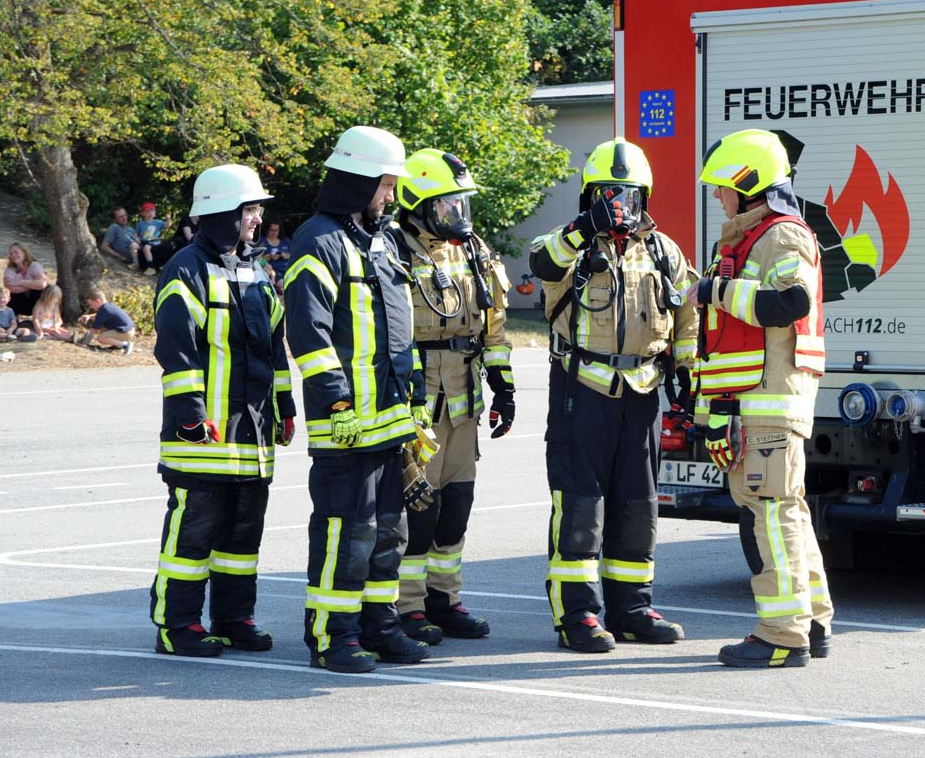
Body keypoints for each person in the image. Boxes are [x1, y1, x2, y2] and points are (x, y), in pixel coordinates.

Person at [528, 138, 698, 652]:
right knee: (580, 505)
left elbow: (686, 312)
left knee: (638, 504)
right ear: (590, 197)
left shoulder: (663, 249)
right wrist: (583, 227)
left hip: (643, 390)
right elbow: (541, 263)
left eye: (629, 194)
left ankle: (633, 608)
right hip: (582, 390)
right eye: (608, 194)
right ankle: (577, 615)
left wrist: (685, 371)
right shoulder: (571, 245)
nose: (620, 204)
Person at [283, 125, 430, 673]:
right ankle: (333, 635)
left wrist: (414, 402)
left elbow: (401, 331)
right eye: (385, 186)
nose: (390, 197)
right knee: (346, 532)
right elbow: (308, 332)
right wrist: (336, 402)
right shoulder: (317, 240)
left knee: (388, 531)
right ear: (358, 181)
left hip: (389, 422)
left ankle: (380, 624)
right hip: (346, 423)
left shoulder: (383, 240)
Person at [687, 128, 833, 669]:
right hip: (754, 402)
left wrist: (713, 292)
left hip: (771, 404)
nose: (718, 196)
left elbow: (789, 302)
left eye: (723, 186)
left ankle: (782, 635)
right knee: (785, 512)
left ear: (748, 183)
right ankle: (812, 623)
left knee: (772, 516)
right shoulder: (747, 238)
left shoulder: (782, 237)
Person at [148, 163, 295, 658]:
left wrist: (286, 404)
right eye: (250, 209)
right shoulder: (185, 268)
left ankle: (234, 618)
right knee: (194, 534)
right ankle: (178, 624)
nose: (257, 219)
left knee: (242, 535)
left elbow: (275, 346)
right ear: (221, 213)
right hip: (203, 434)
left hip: (252, 434)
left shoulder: (257, 270)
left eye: (256, 209)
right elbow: (176, 348)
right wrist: (191, 415)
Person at [393, 148, 514, 644]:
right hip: (419, 398)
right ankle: (406, 606)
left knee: (457, 504)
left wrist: (504, 386)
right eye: (447, 205)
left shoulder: (474, 251)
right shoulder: (393, 250)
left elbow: (495, 326)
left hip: (466, 394)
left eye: (460, 205)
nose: (458, 215)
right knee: (417, 508)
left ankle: (445, 598)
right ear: (417, 203)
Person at [78, 290, 136, 354]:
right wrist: (89, 316)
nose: (91, 306)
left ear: (98, 301)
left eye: (91, 304)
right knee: (102, 329)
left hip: (126, 332)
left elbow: (93, 330)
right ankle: (117, 345)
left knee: (101, 338)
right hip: (129, 330)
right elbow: (99, 315)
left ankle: (126, 345)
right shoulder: (108, 306)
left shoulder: (103, 311)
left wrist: (84, 342)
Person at [3, 242, 49, 317]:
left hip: (35, 303)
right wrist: (32, 284)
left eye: (16, 252)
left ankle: (39, 319)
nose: (13, 255)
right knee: (13, 295)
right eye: (11, 254)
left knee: (38, 291)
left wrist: (20, 282)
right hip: (20, 303)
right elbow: (11, 287)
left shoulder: (34, 265)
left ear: (24, 253)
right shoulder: (10, 269)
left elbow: (42, 284)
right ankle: (13, 321)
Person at [135, 202, 167, 275]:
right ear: (142, 213)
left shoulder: (158, 222)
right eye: (147, 211)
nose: (150, 213)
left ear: (155, 213)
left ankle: (151, 267)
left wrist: (168, 219)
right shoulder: (140, 224)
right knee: (133, 245)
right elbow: (136, 234)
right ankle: (135, 263)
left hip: (154, 241)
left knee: (146, 248)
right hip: (143, 241)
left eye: (152, 210)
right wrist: (136, 239)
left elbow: (167, 225)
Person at [259, 221, 290, 293]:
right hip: (273, 270)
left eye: (276, 230)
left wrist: (286, 255)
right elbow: (258, 260)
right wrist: (269, 257)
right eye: (271, 230)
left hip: (287, 268)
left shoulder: (285, 241)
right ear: (267, 230)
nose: (274, 233)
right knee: (284, 285)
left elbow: (295, 255)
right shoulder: (262, 241)